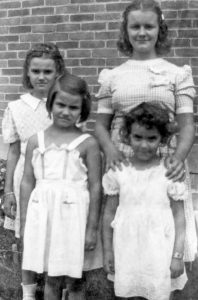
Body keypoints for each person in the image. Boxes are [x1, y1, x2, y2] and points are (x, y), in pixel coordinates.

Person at [95, 0, 197, 263]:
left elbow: (187, 125)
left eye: (149, 26)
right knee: (126, 232)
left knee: (163, 232)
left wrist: (179, 157)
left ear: (159, 29)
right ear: (125, 30)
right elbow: (100, 125)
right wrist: (110, 150)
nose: (142, 32)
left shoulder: (177, 74)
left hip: (165, 160)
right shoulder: (113, 76)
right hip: (124, 162)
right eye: (135, 26)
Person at [20, 72, 102, 300]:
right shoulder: (37, 141)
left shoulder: (89, 144)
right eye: (61, 105)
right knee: (51, 277)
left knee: (75, 279)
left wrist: (92, 229)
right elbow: (27, 180)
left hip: (74, 218)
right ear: (51, 103)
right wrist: (26, 220)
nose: (66, 112)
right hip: (44, 215)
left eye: (73, 108)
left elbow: (96, 187)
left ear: (82, 110)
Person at [102, 102, 188, 300]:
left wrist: (177, 256)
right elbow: (108, 214)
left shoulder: (168, 172)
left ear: (163, 139)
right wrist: (108, 251)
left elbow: (179, 217)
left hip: (159, 248)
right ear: (127, 136)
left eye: (151, 138)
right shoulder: (118, 171)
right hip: (127, 246)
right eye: (137, 137)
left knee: (159, 291)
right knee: (130, 293)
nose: (143, 144)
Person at [2, 43, 65, 239]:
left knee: (56, 232)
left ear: (57, 73)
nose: (41, 76)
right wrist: (9, 191)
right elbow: (13, 152)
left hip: (58, 175)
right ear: (27, 73)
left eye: (48, 71)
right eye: (35, 71)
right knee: (29, 233)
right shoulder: (16, 107)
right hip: (26, 177)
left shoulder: (65, 105)